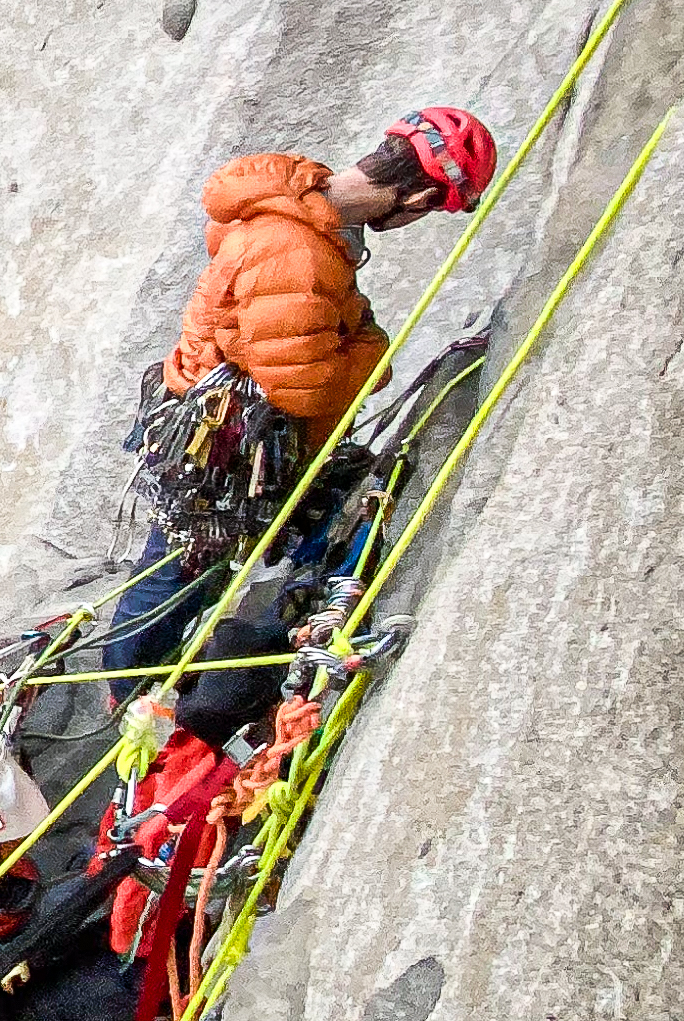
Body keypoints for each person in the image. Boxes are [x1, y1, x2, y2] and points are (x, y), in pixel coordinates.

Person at [106, 106, 495, 678]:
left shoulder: (307, 210)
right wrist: (372, 352)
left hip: (216, 426)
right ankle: (124, 689)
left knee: (188, 568)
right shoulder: (300, 250)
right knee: (179, 575)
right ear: (417, 201)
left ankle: (147, 674)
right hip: (226, 452)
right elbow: (302, 389)